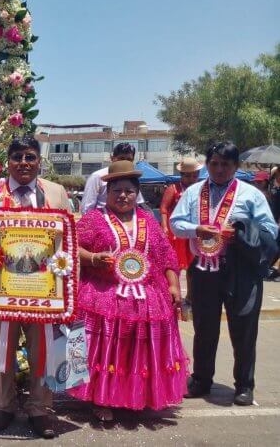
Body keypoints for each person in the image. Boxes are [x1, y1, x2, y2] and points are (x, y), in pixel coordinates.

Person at [0, 135, 71, 438]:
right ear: (7, 162)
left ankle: (40, 410)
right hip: (1, 291)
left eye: (30, 157)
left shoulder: (57, 192)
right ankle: (4, 406)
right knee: (2, 352)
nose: (24, 163)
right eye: (17, 158)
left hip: (44, 292)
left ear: (40, 160)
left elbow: (67, 241)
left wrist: (63, 287)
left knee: (42, 353)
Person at [67, 161, 187, 421]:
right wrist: (93, 258)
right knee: (104, 349)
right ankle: (101, 399)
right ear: (107, 194)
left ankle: (137, 395)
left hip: (146, 297)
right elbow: (72, 247)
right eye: (117, 190)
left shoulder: (148, 222)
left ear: (136, 194)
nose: (123, 195)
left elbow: (165, 256)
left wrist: (174, 286)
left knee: (136, 351)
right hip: (103, 294)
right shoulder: (93, 220)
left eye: (128, 191)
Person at [171, 141, 278, 406]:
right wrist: (197, 229)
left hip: (241, 269)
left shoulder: (251, 194)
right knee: (204, 327)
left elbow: (270, 229)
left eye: (225, 164)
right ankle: (201, 380)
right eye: (214, 163)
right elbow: (175, 223)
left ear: (236, 166)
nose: (219, 169)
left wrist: (240, 232)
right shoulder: (194, 192)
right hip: (204, 269)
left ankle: (244, 385)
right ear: (207, 165)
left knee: (243, 328)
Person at [160, 157, 202, 311]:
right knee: (174, 266)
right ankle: (172, 295)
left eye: (194, 175)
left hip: (193, 232)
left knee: (193, 266)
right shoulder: (173, 188)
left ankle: (191, 297)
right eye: (187, 175)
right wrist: (164, 227)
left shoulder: (201, 189)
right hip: (175, 233)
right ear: (181, 174)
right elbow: (164, 209)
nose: (191, 178)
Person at [80, 143, 145, 214]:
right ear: (112, 158)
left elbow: (138, 203)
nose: (125, 162)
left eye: (129, 159)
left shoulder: (132, 177)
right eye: (121, 158)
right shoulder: (97, 176)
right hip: (103, 221)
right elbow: (87, 208)